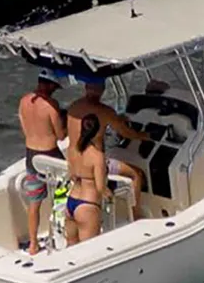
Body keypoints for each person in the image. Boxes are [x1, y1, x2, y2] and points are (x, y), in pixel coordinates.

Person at [66, 76, 150, 220]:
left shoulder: (73, 107)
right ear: (102, 89)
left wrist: (118, 119)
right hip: (95, 168)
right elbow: (126, 133)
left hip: (74, 163)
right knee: (136, 175)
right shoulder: (105, 111)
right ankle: (136, 216)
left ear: (86, 87)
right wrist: (144, 136)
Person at [17, 68, 67, 255]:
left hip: (31, 155)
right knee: (66, 193)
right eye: (54, 86)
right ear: (50, 84)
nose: (55, 90)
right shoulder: (51, 106)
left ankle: (32, 244)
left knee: (34, 202)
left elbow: (25, 128)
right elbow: (61, 136)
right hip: (50, 155)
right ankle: (65, 235)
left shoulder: (23, 101)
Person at [64, 113, 110, 245]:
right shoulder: (97, 156)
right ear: (97, 132)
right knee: (88, 249)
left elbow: (72, 175)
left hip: (71, 201)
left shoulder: (72, 151)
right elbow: (100, 187)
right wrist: (110, 195)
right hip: (88, 204)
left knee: (71, 247)